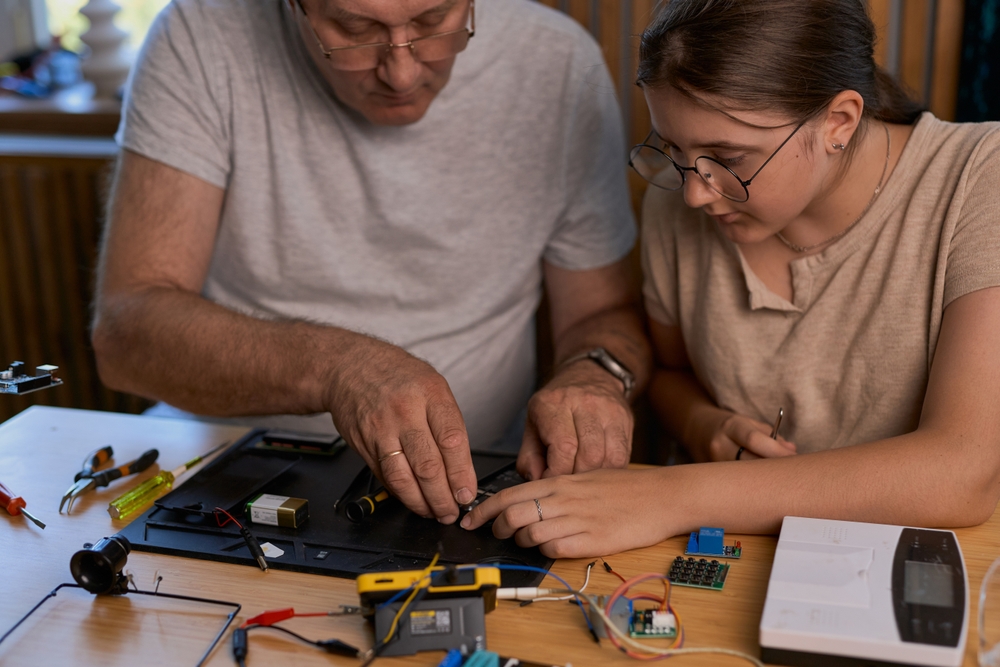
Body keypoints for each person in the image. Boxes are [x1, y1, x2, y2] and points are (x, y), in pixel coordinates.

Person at [463, 0, 1000, 558]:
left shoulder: (980, 177)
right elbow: (670, 372)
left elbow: (962, 471)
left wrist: (670, 498)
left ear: (838, 121)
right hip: (728, 561)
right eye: (675, 152)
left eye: (730, 157)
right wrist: (702, 424)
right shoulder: (679, 209)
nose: (696, 192)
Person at [91, 0, 652, 527]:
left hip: (478, 485)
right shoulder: (200, 35)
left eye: (435, 19)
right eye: (356, 31)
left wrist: (596, 374)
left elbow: (602, 313)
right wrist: (339, 370)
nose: (402, 74)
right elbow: (126, 332)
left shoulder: (557, 60)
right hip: (221, 472)